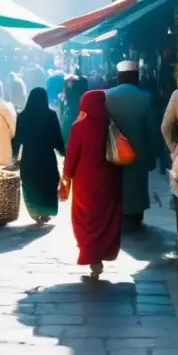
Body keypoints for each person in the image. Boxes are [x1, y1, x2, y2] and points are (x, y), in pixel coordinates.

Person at [62, 90, 123, 278]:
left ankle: (91, 255)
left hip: (85, 180)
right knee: (105, 217)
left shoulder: (79, 126)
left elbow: (71, 155)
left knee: (85, 217)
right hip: (108, 178)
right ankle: (100, 253)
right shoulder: (111, 122)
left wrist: (66, 178)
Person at [105, 61, 160, 229]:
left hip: (112, 150)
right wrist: (155, 153)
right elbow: (152, 128)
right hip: (138, 152)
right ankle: (135, 215)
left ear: (119, 76)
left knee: (115, 182)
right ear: (136, 76)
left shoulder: (106, 96)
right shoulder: (145, 97)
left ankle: (116, 212)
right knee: (136, 185)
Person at [13, 87, 65, 223]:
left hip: (29, 158)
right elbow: (58, 138)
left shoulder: (22, 116)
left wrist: (13, 155)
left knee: (31, 184)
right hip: (47, 158)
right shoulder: (51, 115)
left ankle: (35, 212)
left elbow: (17, 139)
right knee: (47, 184)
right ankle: (46, 212)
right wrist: (63, 152)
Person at [60, 74, 89, 146]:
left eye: (71, 81)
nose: (69, 83)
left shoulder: (70, 91)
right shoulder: (81, 90)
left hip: (74, 112)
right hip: (77, 112)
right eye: (68, 82)